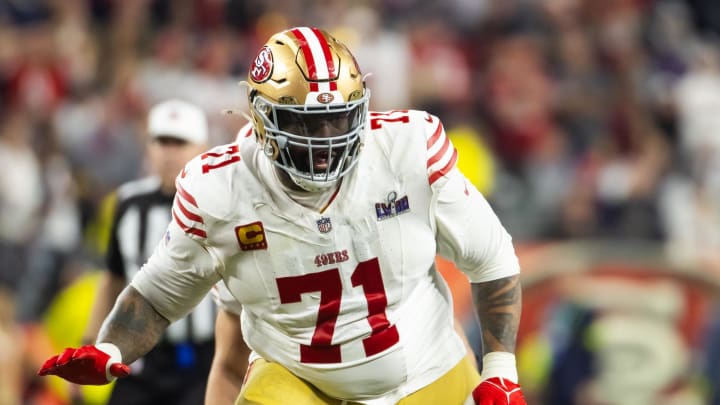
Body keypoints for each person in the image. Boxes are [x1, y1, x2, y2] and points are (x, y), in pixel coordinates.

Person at [38, 27, 527, 405]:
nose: (326, 140)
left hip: (420, 369)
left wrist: (501, 367)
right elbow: (158, 294)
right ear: (260, 116)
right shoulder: (221, 192)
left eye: (338, 118)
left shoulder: (406, 151)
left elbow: (491, 257)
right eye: (305, 122)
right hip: (298, 377)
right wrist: (111, 349)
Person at [81, 99, 218, 404]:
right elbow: (113, 279)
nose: (169, 152)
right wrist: (90, 343)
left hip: (203, 358)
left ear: (203, 147)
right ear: (148, 147)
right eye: (161, 141)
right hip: (142, 357)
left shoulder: (219, 204)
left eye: (179, 142)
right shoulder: (128, 203)